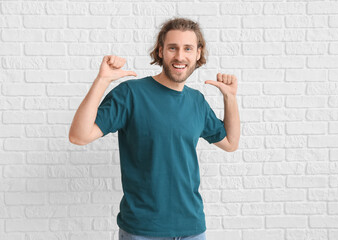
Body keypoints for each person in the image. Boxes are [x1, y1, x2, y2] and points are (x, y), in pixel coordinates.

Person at [69, 17, 240, 240]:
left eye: (187, 48)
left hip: (192, 228)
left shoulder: (197, 102)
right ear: (160, 51)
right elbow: (79, 136)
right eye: (172, 48)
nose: (180, 56)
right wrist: (102, 80)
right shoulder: (131, 93)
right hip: (143, 230)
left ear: (198, 53)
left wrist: (230, 97)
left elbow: (230, 143)